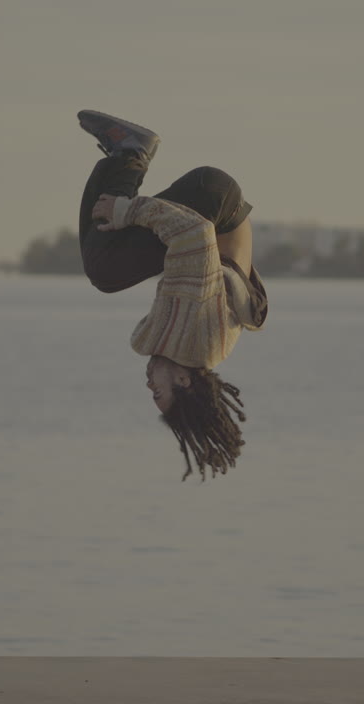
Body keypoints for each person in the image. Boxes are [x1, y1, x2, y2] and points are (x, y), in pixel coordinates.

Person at [76, 110, 268, 481]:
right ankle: (131, 151)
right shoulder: (194, 335)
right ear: (183, 382)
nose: (149, 387)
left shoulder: (184, 345)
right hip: (213, 201)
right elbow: (194, 234)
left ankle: (121, 155)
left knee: (101, 258)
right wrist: (127, 210)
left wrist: (120, 214)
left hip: (217, 206)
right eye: (157, 395)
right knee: (105, 269)